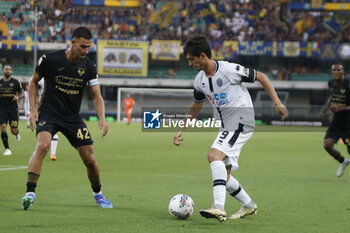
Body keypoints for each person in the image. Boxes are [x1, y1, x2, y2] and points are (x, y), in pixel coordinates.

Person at [173, 34, 289, 222]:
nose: (190, 63)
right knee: (223, 175)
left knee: (213, 156)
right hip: (227, 124)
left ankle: (218, 207)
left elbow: (262, 76)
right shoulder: (199, 80)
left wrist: (277, 103)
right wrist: (181, 128)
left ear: (203, 56)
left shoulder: (228, 69)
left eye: (191, 59)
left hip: (242, 119)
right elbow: (196, 106)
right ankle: (249, 205)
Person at [22, 27, 113, 210]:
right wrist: (33, 110)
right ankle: (30, 193)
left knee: (90, 160)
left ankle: (98, 194)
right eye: (83, 46)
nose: (86, 50)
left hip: (72, 118)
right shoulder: (50, 60)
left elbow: (96, 95)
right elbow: (32, 83)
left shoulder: (89, 66)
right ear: (72, 42)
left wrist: (102, 118)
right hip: (49, 114)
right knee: (43, 146)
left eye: (89, 47)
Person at [322, 63, 350, 177]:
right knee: (327, 145)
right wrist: (326, 107)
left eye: (338, 70)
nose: (335, 72)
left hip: (348, 121)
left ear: (343, 71)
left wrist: (340, 108)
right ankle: (343, 161)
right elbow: (333, 96)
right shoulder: (331, 83)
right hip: (337, 120)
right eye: (333, 70)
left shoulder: (348, 84)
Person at [0, 64, 23, 156]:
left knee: (13, 130)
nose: (8, 71)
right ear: (3, 71)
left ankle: (17, 133)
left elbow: (22, 94)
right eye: (6, 69)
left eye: (9, 69)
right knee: (3, 127)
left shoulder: (16, 82)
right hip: (2, 109)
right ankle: (7, 148)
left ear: (11, 71)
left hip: (13, 109)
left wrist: (18, 97)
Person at [37, 78, 58, 161]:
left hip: (54, 106)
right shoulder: (39, 80)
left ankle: (53, 153)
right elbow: (34, 90)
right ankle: (41, 149)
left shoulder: (55, 75)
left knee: (55, 130)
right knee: (42, 130)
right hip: (42, 108)